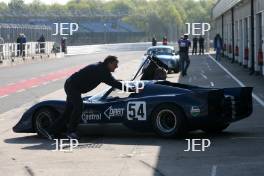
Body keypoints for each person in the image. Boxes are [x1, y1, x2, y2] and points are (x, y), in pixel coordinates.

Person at [43, 56, 140, 140]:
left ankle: (51, 131)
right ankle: (70, 132)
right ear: (109, 63)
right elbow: (115, 83)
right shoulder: (101, 71)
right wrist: (132, 90)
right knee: (78, 107)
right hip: (72, 86)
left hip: (73, 86)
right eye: (115, 64)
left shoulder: (102, 69)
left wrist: (128, 87)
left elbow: (114, 82)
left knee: (68, 111)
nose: (117, 67)